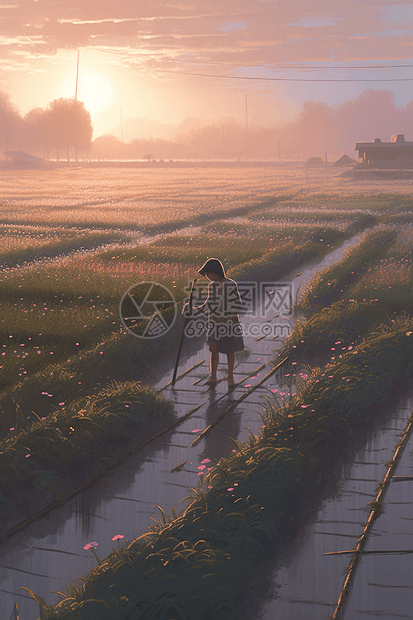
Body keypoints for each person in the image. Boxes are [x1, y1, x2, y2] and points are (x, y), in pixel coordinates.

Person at [186, 258, 244, 387]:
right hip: (214, 323)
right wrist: (194, 310)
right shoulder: (211, 286)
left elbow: (237, 305)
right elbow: (208, 305)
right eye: (206, 274)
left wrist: (228, 322)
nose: (207, 276)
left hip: (229, 323)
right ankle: (213, 377)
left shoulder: (230, 284)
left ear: (216, 272)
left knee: (230, 350)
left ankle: (230, 377)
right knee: (213, 348)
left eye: (208, 273)